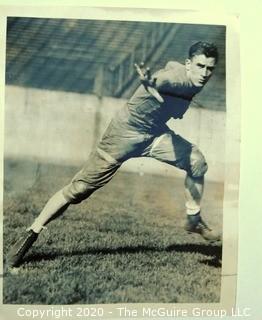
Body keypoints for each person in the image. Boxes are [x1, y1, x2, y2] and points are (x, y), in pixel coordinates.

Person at [8, 41, 221, 268]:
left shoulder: (195, 79)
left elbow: (171, 79)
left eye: (210, 69)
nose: (205, 73)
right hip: (124, 135)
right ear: (188, 64)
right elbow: (165, 79)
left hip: (155, 134)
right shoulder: (178, 76)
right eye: (200, 66)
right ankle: (31, 233)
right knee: (79, 190)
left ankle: (194, 219)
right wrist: (152, 82)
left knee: (197, 161)